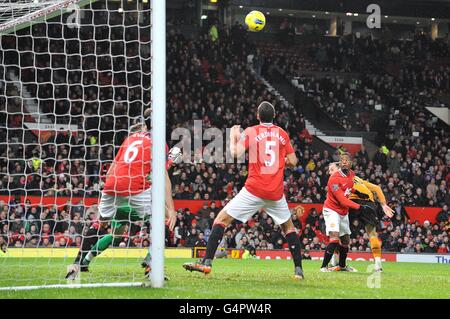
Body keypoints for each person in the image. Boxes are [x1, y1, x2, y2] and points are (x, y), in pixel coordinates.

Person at [183, 101, 305, 279]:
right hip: (275, 192)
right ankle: (299, 271)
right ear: (274, 116)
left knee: (221, 219)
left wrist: (233, 135)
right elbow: (293, 161)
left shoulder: (251, 131)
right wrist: (280, 162)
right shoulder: (282, 134)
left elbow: (234, 153)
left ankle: (207, 263)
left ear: (257, 116)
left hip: (254, 189)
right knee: (288, 227)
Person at [66, 109, 179, 280]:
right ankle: (151, 262)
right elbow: (162, 178)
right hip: (135, 191)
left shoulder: (130, 139)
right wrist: (172, 209)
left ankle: (78, 263)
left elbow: (112, 169)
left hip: (113, 186)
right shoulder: (158, 143)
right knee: (163, 217)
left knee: (104, 227)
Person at [327, 162, 394, 272]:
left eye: (331, 169)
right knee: (372, 233)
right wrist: (383, 204)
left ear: (339, 169)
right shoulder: (357, 178)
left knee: (337, 231)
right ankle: (378, 264)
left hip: (351, 203)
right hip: (368, 204)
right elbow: (377, 188)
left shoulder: (337, 180)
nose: (330, 172)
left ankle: (334, 261)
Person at [320, 153, 375, 272]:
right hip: (331, 210)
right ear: (339, 163)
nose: (344, 162)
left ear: (351, 163)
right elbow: (342, 200)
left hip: (343, 212)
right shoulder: (333, 179)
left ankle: (342, 266)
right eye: (341, 160)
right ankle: (323, 267)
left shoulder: (351, 174)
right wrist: (361, 207)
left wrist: (358, 193)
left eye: (346, 160)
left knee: (345, 240)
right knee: (334, 238)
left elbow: (349, 187)